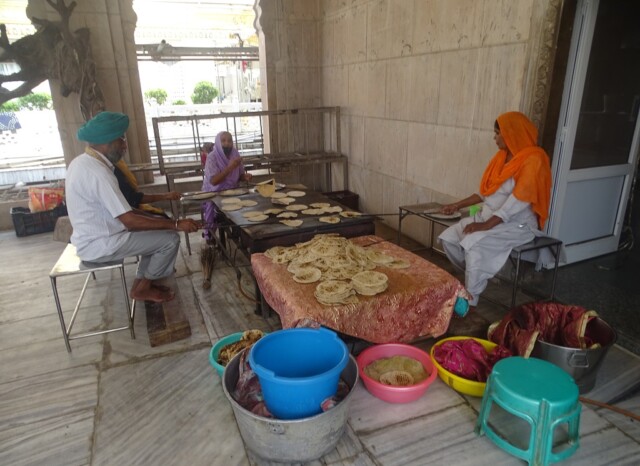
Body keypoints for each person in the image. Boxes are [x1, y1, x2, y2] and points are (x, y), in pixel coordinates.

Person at [66, 111, 200, 303]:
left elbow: (124, 209)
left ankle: (141, 283)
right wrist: (176, 225)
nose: (125, 146)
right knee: (169, 240)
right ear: (107, 142)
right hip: (102, 242)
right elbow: (129, 220)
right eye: (121, 140)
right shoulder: (98, 173)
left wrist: (166, 221)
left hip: (95, 237)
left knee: (158, 231)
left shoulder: (81, 163)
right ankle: (142, 288)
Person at [438, 111, 552, 312]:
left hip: (516, 226)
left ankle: (470, 298)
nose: (494, 137)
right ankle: (476, 275)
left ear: (511, 134)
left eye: (498, 133)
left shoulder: (534, 160)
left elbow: (517, 202)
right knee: (449, 238)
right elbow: (484, 193)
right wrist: (457, 205)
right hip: (487, 218)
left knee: (474, 244)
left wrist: (483, 226)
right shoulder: (501, 157)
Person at [201, 131, 252, 241]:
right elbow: (214, 181)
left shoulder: (235, 154)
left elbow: (239, 175)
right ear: (218, 143)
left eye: (229, 141)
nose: (227, 143)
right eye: (223, 141)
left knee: (242, 209)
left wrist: (244, 176)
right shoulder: (212, 157)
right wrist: (230, 167)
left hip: (232, 191)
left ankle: (237, 232)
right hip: (215, 192)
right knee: (215, 214)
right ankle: (210, 235)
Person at [113, 159, 180, 218]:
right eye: (121, 144)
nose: (125, 147)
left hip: (133, 207)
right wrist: (166, 196)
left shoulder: (117, 164)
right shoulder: (113, 170)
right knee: (163, 219)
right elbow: (132, 198)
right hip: (130, 211)